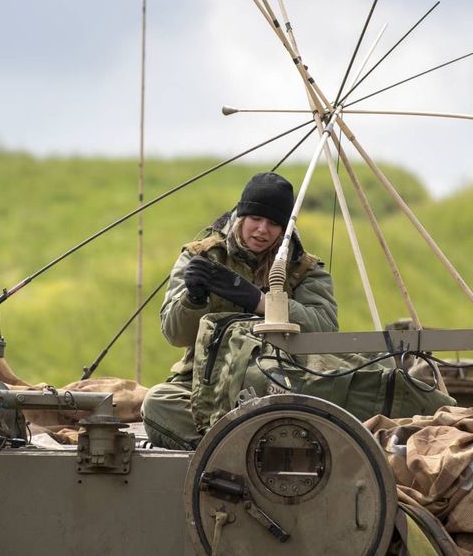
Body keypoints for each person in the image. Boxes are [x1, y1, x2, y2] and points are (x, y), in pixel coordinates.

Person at [142, 172, 339, 449]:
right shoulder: (203, 256)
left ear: (284, 229)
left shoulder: (302, 269)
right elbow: (174, 334)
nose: (262, 230)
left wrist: (259, 302)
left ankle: (237, 449)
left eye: (273, 223)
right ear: (241, 217)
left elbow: (325, 328)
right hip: (205, 383)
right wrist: (195, 299)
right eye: (256, 219)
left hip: (277, 384)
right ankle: (247, 453)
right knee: (158, 404)